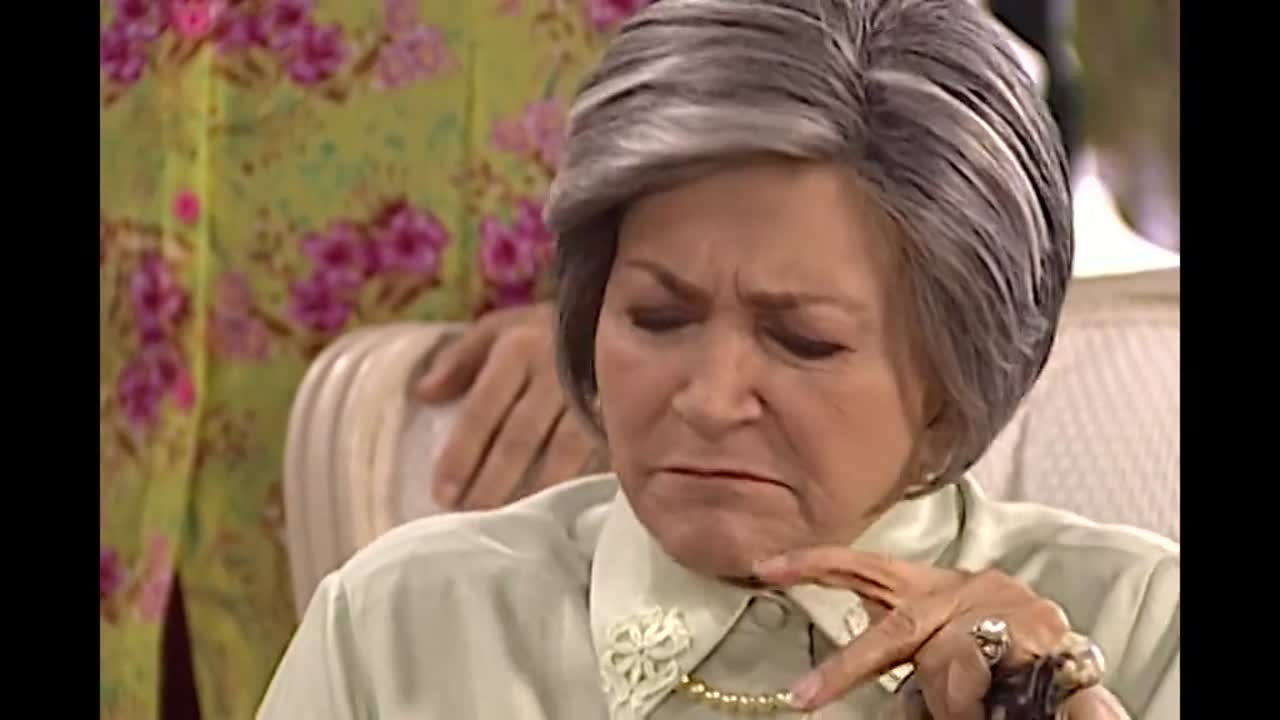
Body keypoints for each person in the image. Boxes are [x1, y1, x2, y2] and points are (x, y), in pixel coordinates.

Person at [259, 0, 1179, 717]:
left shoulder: (1141, 624)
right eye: (658, 318)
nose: (708, 398)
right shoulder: (400, 625)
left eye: (803, 341)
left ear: (954, 379)